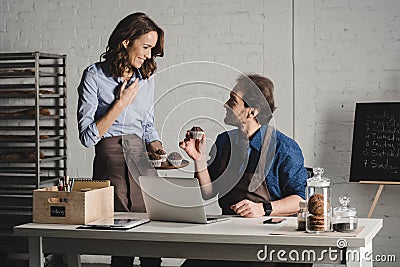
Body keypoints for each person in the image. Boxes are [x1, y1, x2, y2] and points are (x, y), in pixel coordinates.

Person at [179, 74, 310, 267]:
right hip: (227, 235)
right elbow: (209, 192)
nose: (225, 104)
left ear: (252, 111)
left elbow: (301, 200)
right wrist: (198, 159)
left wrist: (263, 209)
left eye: (233, 101)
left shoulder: (284, 147)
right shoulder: (224, 141)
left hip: (268, 240)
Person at [77, 12, 164, 267]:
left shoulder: (147, 77)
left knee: (151, 237)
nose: (149, 55)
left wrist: (158, 150)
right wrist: (120, 103)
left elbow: (148, 124)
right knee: (122, 240)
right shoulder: (94, 76)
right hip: (110, 157)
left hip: (141, 157)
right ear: (126, 41)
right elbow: (87, 136)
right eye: (146, 47)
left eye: (152, 49)